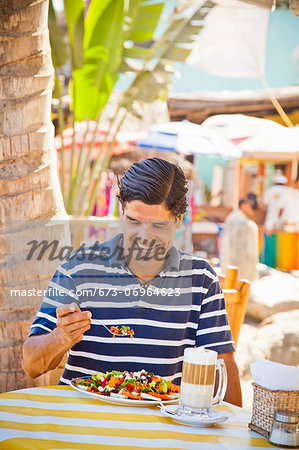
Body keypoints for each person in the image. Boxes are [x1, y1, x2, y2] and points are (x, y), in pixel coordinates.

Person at [22, 158, 242, 406]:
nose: (144, 238)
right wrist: (61, 338)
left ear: (179, 220)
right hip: (83, 422)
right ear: (121, 212)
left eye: (159, 225)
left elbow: (223, 365)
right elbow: (31, 365)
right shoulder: (78, 270)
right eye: (134, 222)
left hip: (163, 428)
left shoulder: (200, 279)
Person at [220, 194, 259, 282]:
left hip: (240, 258)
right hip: (235, 256)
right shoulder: (236, 219)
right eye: (248, 206)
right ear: (243, 206)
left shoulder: (244, 219)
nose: (250, 208)